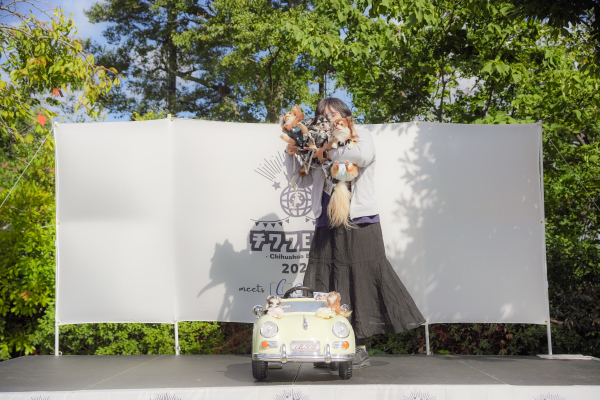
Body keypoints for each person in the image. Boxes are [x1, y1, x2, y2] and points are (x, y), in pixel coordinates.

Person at [284, 98, 426, 369]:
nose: (329, 119)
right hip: (327, 220)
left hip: (359, 219)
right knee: (325, 281)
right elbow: (301, 178)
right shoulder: (315, 141)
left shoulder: (361, 136)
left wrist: (327, 151)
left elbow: (361, 156)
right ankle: (328, 344)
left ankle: (358, 346)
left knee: (361, 280)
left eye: (333, 113)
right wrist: (293, 152)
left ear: (345, 115)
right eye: (323, 115)